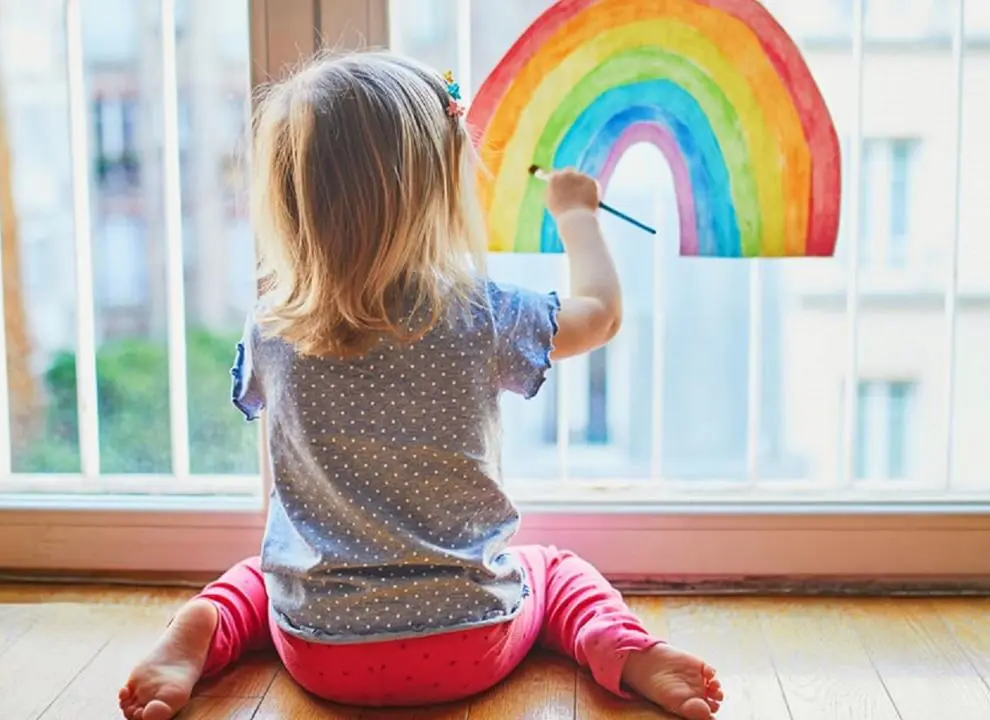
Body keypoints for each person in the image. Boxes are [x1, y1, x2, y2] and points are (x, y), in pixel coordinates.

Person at [118, 51, 722, 720]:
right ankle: (623, 649)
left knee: (256, 581)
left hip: (321, 650)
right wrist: (577, 216)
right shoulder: (482, 313)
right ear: (437, 191)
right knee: (555, 569)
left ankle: (191, 641)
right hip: (470, 642)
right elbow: (600, 315)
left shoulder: (271, 328)